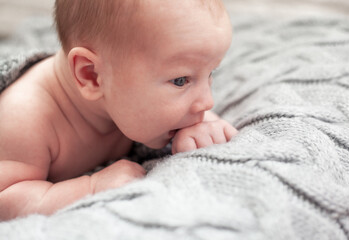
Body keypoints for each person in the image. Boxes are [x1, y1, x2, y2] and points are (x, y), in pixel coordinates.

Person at [0, 0, 237, 220]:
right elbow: (6, 197)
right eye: (180, 80)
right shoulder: (25, 120)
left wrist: (202, 129)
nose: (207, 103)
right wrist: (90, 188)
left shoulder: (122, 92)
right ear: (91, 75)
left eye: (210, 73)